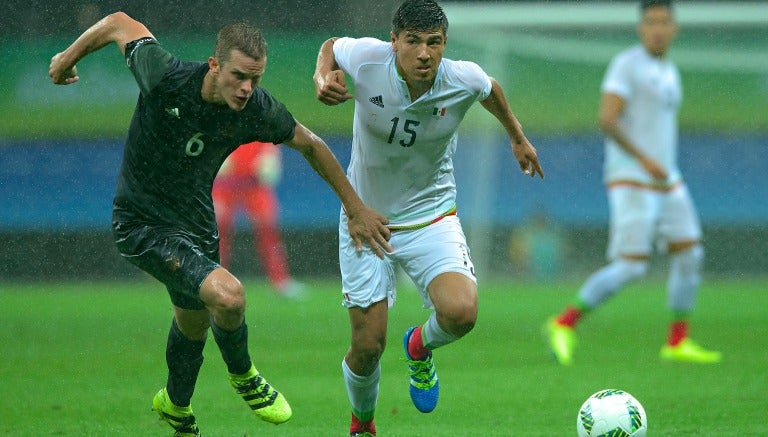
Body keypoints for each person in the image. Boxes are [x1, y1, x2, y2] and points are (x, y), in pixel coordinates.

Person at [49, 12, 392, 436]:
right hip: (141, 223)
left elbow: (313, 145)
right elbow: (119, 21)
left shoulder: (255, 109)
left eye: (256, 78)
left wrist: (356, 208)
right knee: (228, 298)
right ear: (215, 65)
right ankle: (244, 373)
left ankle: (175, 406)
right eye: (238, 76)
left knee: (192, 326)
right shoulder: (165, 76)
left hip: (194, 224)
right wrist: (67, 58)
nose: (247, 88)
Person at [313, 1, 544, 435]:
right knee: (366, 347)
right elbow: (330, 45)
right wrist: (322, 75)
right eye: (414, 42)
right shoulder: (367, 58)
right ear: (394, 40)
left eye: (434, 43)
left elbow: (490, 88)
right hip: (367, 219)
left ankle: (419, 348)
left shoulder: (461, 78)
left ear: (445, 45)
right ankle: (362, 424)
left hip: (431, 215)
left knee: (462, 313)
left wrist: (518, 138)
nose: (424, 53)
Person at [546, 0, 721, 366]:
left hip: (667, 179)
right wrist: (644, 159)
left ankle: (677, 341)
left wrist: (659, 164)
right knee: (632, 267)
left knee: (690, 253)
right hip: (632, 179)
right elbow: (607, 119)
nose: (657, 28)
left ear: (675, 28)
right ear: (641, 28)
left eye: (664, 22)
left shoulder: (669, 71)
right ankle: (563, 323)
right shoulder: (627, 65)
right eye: (651, 22)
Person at [212, 141, 305, 298]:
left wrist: (270, 156)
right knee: (217, 234)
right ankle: (213, 280)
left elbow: (271, 145)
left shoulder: (262, 119)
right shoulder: (225, 118)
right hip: (226, 184)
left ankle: (280, 280)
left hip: (255, 184)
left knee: (268, 232)